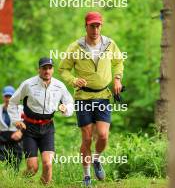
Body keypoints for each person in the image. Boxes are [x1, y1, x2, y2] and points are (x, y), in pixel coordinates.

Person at [59, 11, 124, 186]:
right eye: (92, 26)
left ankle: (96, 159)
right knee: (87, 138)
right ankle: (86, 176)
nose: (95, 29)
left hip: (103, 95)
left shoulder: (110, 44)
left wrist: (117, 78)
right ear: (86, 26)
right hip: (83, 97)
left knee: (103, 136)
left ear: (101, 26)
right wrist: (73, 80)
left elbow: (118, 62)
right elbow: (63, 69)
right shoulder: (75, 47)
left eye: (98, 25)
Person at [8, 57, 74, 185]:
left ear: (53, 70)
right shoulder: (28, 84)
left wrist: (66, 108)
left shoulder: (59, 86)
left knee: (48, 164)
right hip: (29, 128)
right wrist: (16, 120)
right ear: (39, 69)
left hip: (48, 128)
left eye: (50, 68)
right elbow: (12, 102)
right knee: (32, 168)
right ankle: (21, 181)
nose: (47, 71)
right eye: (44, 68)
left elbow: (70, 102)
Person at [0, 86, 23, 171]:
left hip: (17, 139)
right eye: (6, 96)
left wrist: (20, 132)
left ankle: (13, 179)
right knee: (2, 162)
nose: (8, 99)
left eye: (10, 96)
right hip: (2, 139)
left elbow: (27, 124)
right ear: (3, 97)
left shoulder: (21, 109)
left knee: (15, 163)